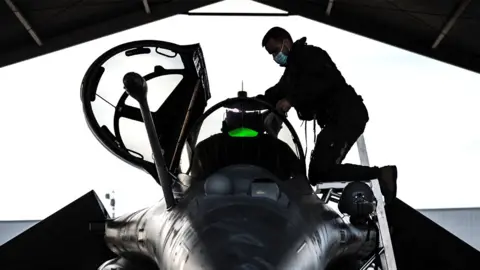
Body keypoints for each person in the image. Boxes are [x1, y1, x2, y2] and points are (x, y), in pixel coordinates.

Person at [257, 26, 398, 204]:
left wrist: (291, 99)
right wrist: (249, 105)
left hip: (346, 115)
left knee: (322, 171)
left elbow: (322, 83)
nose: (275, 58)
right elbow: (275, 93)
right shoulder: (293, 73)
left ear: (286, 42)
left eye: (276, 51)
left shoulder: (311, 56)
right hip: (335, 120)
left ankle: (380, 174)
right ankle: (378, 176)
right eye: (272, 54)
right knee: (317, 174)